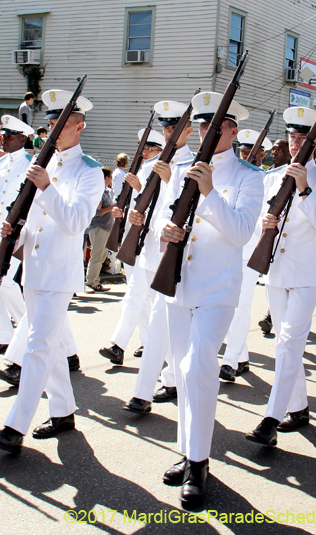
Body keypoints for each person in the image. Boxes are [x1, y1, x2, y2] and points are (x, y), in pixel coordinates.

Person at [0, 88, 102, 454]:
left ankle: (15, 426)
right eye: (49, 123)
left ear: (78, 127)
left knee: (37, 345)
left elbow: (75, 221)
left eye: (60, 123)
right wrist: (12, 229)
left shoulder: (89, 171)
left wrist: (47, 187)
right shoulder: (45, 165)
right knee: (44, 344)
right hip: (33, 266)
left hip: (58, 271)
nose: (52, 130)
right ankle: (63, 411)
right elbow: (32, 216)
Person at [157, 91, 262, 507]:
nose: (204, 132)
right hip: (180, 281)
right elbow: (166, 215)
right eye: (201, 125)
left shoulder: (248, 176)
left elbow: (240, 233)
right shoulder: (183, 166)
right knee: (182, 373)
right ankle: (187, 452)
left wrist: (210, 192)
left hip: (218, 286)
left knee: (199, 364)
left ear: (232, 131)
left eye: (214, 126)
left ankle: (199, 464)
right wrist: (167, 231)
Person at [245, 106, 316, 447]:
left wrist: (304, 190)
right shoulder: (270, 177)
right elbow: (254, 221)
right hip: (276, 271)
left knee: (287, 342)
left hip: (305, 273)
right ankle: (299, 408)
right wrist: (263, 225)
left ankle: (272, 416)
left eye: (303, 138)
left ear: (315, 143)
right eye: (293, 136)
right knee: (289, 346)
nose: (296, 142)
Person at [119, 101, 191, 411]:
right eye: (166, 128)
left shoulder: (193, 165)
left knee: (167, 323)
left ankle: (147, 390)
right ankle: (168, 380)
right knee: (162, 322)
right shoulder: (150, 166)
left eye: (175, 127)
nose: (169, 133)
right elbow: (141, 207)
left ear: (188, 130)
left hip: (178, 256)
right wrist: (135, 217)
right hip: (150, 251)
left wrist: (168, 181)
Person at [98, 126, 166, 367]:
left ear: (159, 149)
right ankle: (148, 344)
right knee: (139, 296)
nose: (145, 151)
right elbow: (134, 206)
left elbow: (160, 205)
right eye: (143, 148)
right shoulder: (140, 168)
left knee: (141, 297)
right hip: (134, 241)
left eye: (149, 148)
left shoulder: (160, 169)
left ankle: (120, 345)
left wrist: (138, 188)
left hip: (151, 243)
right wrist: (121, 210)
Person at [218, 127, 270, 382]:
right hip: (227, 247)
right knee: (227, 303)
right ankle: (241, 356)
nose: (247, 156)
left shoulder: (266, 178)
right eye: (244, 151)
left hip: (251, 250)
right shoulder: (233, 173)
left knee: (241, 305)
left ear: (262, 154)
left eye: (253, 152)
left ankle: (229, 361)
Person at [0, 115, 34, 355]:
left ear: (22, 139)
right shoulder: (0, 164)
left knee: (6, 283)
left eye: (9, 137)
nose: (4, 140)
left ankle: (29, 328)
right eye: (3, 136)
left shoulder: (30, 165)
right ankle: (3, 337)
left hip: (14, 233)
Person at [258, 139, 292, 337]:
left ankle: (272, 317)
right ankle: (272, 316)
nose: (275, 152)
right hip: (273, 251)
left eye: (280, 149)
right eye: (273, 149)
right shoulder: (269, 176)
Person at [85, 166, 115, 293]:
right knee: (97, 256)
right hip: (98, 227)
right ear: (106, 177)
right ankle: (91, 282)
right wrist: (113, 207)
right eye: (110, 177)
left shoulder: (106, 191)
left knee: (101, 256)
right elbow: (97, 212)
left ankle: (95, 281)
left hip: (105, 227)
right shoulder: (99, 191)